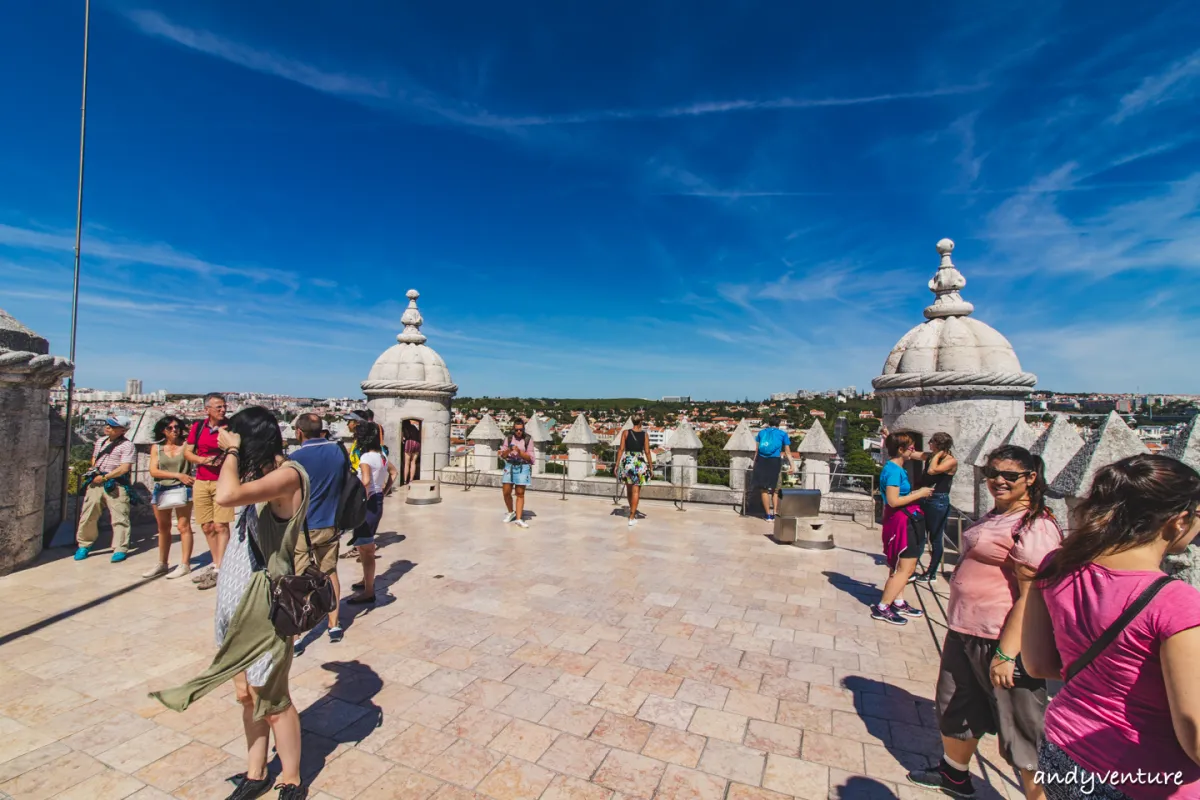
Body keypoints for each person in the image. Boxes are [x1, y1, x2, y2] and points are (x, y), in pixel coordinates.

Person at [150, 406, 308, 800]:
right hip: (234, 596)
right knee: (245, 693)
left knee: (271, 696)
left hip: (263, 600)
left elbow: (226, 495)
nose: (222, 437)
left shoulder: (286, 475)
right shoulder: (258, 472)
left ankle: (290, 775)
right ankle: (256, 770)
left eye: (231, 433)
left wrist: (234, 452)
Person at [1022, 454, 1200, 800]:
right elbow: (1194, 728)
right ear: (1178, 521)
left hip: (1063, 750)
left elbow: (1037, 664)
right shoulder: (1176, 602)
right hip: (1145, 777)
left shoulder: (1058, 564)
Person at [907, 445, 1063, 800]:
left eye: (1010, 475)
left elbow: (1033, 596)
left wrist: (1007, 655)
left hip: (1000, 639)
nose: (998, 481)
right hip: (966, 629)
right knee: (956, 705)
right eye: (992, 474)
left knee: (1020, 729)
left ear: (1031, 478)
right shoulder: (999, 515)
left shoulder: (1035, 526)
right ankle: (954, 774)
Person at [288, 413, 347, 642]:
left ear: (299, 432)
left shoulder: (295, 459)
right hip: (331, 523)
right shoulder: (338, 452)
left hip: (304, 526)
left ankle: (296, 633)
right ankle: (334, 624)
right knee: (330, 572)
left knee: (300, 578)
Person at [874, 432, 934, 624]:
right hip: (902, 521)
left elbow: (921, 456)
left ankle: (897, 601)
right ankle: (883, 606)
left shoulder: (896, 466)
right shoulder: (893, 471)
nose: (913, 451)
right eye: (910, 448)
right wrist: (920, 493)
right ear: (900, 450)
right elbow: (893, 501)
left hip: (903, 518)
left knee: (900, 566)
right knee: (905, 570)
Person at [186, 393, 233, 590]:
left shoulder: (231, 428)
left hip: (223, 481)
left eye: (224, 407)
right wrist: (202, 460)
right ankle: (216, 563)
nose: (222, 410)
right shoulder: (198, 428)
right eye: (218, 407)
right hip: (202, 480)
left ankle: (222, 567)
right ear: (207, 410)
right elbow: (188, 452)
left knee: (221, 525)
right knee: (206, 526)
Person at [75, 415, 137, 563]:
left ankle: (120, 547)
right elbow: (94, 458)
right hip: (96, 482)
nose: (107, 427)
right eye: (107, 424)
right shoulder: (100, 442)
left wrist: (105, 477)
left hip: (115, 483)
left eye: (111, 426)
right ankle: (84, 544)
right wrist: (95, 471)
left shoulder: (127, 446)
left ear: (122, 430)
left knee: (119, 516)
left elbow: (124, 468)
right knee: (88, 514)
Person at [347, 422, 396, 605]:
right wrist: (384, 491)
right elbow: (394, 472)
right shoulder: (382, 455)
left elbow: (366, 481)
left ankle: (369, 592)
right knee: (364, 546)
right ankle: (366, 580)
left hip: (366, 504)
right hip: (377, 502)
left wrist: (357, 500)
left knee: (366, 549)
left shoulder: (366, 457)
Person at [144, 415, 196, 579]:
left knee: (183, 526)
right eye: (170, 428)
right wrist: (178, 474)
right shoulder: (157, 448)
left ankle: (185, 564)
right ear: (163, 431)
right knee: (163, 528)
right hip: (162, 489)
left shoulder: (187, 446)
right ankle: (162, 563)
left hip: (183, 488)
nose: (174, 430)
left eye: (177, 427)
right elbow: (153, 470)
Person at [911, 432, 957, 587]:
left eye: (931, 442)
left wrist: (937, 455)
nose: (928, 443)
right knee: (920, 534)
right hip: (925, 498)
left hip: (938, 501)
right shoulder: (931, 456)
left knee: (935, 538)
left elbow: (932, 471)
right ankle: (910, 568)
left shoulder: (950, 460)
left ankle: (931, 573)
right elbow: (914, 454)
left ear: (938, 444)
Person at [753, 417, 795, 521]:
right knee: (776, 490)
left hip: (762, 462)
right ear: (779, 424)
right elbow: (788, 452)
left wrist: (754, 464)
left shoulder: (761, 433)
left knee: (764, 489)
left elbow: (757, 451)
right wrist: (792, 465)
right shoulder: (782, 434)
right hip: (775, 462)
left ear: (768, 423)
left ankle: (767, 515)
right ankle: (775, 513)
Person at [616, 417, 654, 527]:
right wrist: (651, 467)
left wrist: (617, 464)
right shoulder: (645, 435)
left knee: (629, 489)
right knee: (636, 491)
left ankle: (632, 511)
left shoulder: (625, 433)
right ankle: (632, 516)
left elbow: (621, 449)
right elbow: (647, 451)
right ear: (641, 422)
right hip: (639, 463)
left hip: (627, 462)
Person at [500, 418, 534, 529]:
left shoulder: (528, 439)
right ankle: (511, 512)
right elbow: (503, 455)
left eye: (521, 429)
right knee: (506, 491)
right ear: (513, 429)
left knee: (520, 493)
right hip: (509, 465)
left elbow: (530, 458)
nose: (519, 432)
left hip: (522, 466)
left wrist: (519, 452)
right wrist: (509, 450)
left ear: (523, 429)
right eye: (516, 430)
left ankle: (519, 519)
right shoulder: (509, 438)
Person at [402, 419, 421, 485]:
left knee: (407, 463)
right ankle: (411, 480)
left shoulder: (405, 428)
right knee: (413, 462)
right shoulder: (414, 427)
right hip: (417, 443)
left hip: (409, 442)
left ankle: (404, 481)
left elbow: (403, 437)